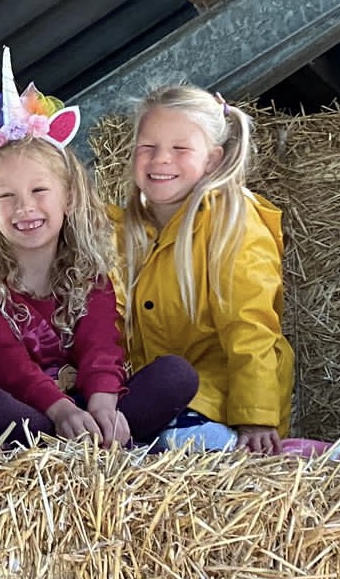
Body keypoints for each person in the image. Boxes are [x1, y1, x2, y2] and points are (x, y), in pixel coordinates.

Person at [0, 49, 197, 447]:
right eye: (6, 196)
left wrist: (103, 406)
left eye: (39, 190)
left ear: (69, 197)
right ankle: (78, 447)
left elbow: (100, 350)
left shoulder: (91, 279)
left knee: (176, 375)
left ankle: (100, 439)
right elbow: (2, 364)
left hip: (85, 410)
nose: (25, 207)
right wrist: (61, 413)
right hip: (27, 416)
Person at [113, 85, 294, 454]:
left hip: (219, 397)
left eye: (180, 149)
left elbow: (249, 324)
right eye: (147, 147)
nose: (161, 159)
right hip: (151, 394)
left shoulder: (233, 221)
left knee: (171, 435)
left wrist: (255, 415)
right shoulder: (119, 230)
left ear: (212, 160)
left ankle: (301, 456)